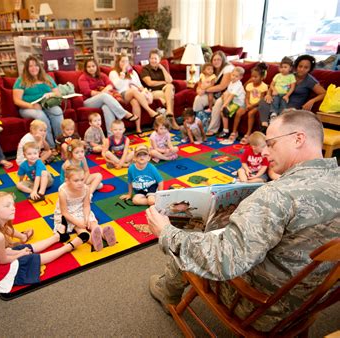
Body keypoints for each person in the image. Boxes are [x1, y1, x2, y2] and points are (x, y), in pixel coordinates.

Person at [145, 109, 339, 331]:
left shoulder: (277, 195)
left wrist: (166, 233)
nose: (264, 151)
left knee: (192, 232)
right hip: (311, 303)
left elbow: (224, 260)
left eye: (271, 143)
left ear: (298, 139)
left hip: (262, 308)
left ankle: (167, 291)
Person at [0, 191, 89, 293]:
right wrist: (21, 254)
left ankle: (57, 237)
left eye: (12, 204)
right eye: (7, 206)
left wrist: (18, 252)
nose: (13, 208)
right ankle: (69, 246)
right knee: (28, 258)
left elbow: (1, 253)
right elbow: (3, 260)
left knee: (20, 249)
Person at [54, 165, 116, 252]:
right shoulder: (63, 192)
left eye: (82, 180)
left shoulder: (86, 188)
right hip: (69, 212)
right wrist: (78, 223)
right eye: (76, 180)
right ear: (67, 181)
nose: (80, 183)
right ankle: (93, 241)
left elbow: (86, 206)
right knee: (80, 228)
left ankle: (105, 235)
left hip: (81, 208)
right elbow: (65, 213)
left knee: (93, 223)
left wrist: (86, 218)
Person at [258, 55, 326, 130]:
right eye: (300, 66)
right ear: (296, 66)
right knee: (263, 102)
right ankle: (264, 127)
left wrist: (311, 101)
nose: (302, 69)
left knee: (285, 112)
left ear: (309, 69)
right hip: (280, 101)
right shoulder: (289, 75)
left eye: (306, 67)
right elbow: (274, 85)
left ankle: (271, 128)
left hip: (292, 107)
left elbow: (323, 93)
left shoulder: (310, 80)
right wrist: (268, 94)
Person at [12, 55, 63, 149]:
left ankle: (60, 143)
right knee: (41, 116)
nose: (34, 68)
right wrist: (31, 106)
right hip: (28, 107)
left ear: (39, 67)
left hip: (46, 104)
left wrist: (51, 94)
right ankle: (51, 147)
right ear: (26, 68)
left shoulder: (47, 77)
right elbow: (17, 100)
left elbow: (58, 93)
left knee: (57, 111)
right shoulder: (21, 80)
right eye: (30, 66)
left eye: (36, 65)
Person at [78, 58, 138, 135]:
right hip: (89, 101)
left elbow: (110, 85)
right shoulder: (82, 78)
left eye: (93, 66)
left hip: (103, 99)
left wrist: (105, 90)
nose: (91, 68)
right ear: (85, 68)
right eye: (88, 67)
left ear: (96, 66)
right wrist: (103, 93)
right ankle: (125, 114)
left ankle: (112, 136)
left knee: (106, 107)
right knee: (104, 96)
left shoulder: (102, 75)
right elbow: (87, 91)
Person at [109, 53, 159, 135]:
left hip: (134, 94)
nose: (125, 63)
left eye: (127, 61)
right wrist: (123, 72)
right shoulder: (113, 73)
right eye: (123, 61)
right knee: (133, 91)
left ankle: (138, 129)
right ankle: (150, 111)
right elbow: (117, 86)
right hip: (122, 94)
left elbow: (139, 85)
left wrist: (146, 91)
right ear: (118, 62)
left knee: (135, 102)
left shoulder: (132, 72)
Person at [192, 51, 235, 136]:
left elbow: (222, 86)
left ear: (223, 60)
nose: (216, 61)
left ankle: (212, 129)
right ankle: (196, 121)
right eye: (214, 59)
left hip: (226, 95)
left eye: (219, 59)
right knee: (198, 99)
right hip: (213, 94)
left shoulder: (228, 68)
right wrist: (199, 89)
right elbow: (200, 82)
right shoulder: (211, 69)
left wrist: (205, 90)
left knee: (218, 104)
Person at [141, 49, 179, 130]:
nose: (153, 60)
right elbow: (149, 83)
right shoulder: (145, 69)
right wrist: (163, 82)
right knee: (170, 96)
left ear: (159, 60)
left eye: (155, 58)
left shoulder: (162, 68)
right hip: (153, 92)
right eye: (151, 58)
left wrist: (163, 69)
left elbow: (170, 81)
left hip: (165, 90)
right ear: (149, 59)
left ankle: (169, 111)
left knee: (169, 86)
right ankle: (173, 120)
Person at [231, 62, 269, 145]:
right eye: (252, 76)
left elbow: (261, 100)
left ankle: (248, 134)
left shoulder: (264, 86)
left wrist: (252, 106)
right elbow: (247, 96)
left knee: (250, 113)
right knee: (239, 112)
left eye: (256, 77)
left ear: (262, 77)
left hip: (257, 105)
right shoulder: (250, 85)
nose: (253, 78)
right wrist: (247, 104)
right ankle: (234, 132)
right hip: (248, 103)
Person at [219, 66, 246, 143]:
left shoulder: (238, 85)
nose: (234, 77)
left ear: (241, 77)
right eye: (233, 75)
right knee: (225, 95)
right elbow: (228, 92)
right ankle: (226, 130)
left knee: (224, 111)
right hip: (233, 101)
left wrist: (224, 105)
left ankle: (226, 132)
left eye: (236, 76)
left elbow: (231, 96)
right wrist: (223, 96)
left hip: (238, 103)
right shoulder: (231, 82)